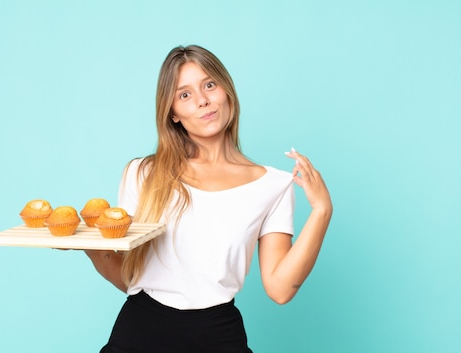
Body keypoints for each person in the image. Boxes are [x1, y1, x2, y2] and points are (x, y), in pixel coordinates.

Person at [84, 45, 332, 353]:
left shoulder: (273, 185)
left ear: (226, 90)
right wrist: (91, 247)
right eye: (184, 95)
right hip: (140, 331)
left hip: (218, 335)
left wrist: (322, 211)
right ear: (172, 112)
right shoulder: (143, 173)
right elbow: (130, 279)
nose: (202, 100)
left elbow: (280, 289)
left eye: (209, 85)